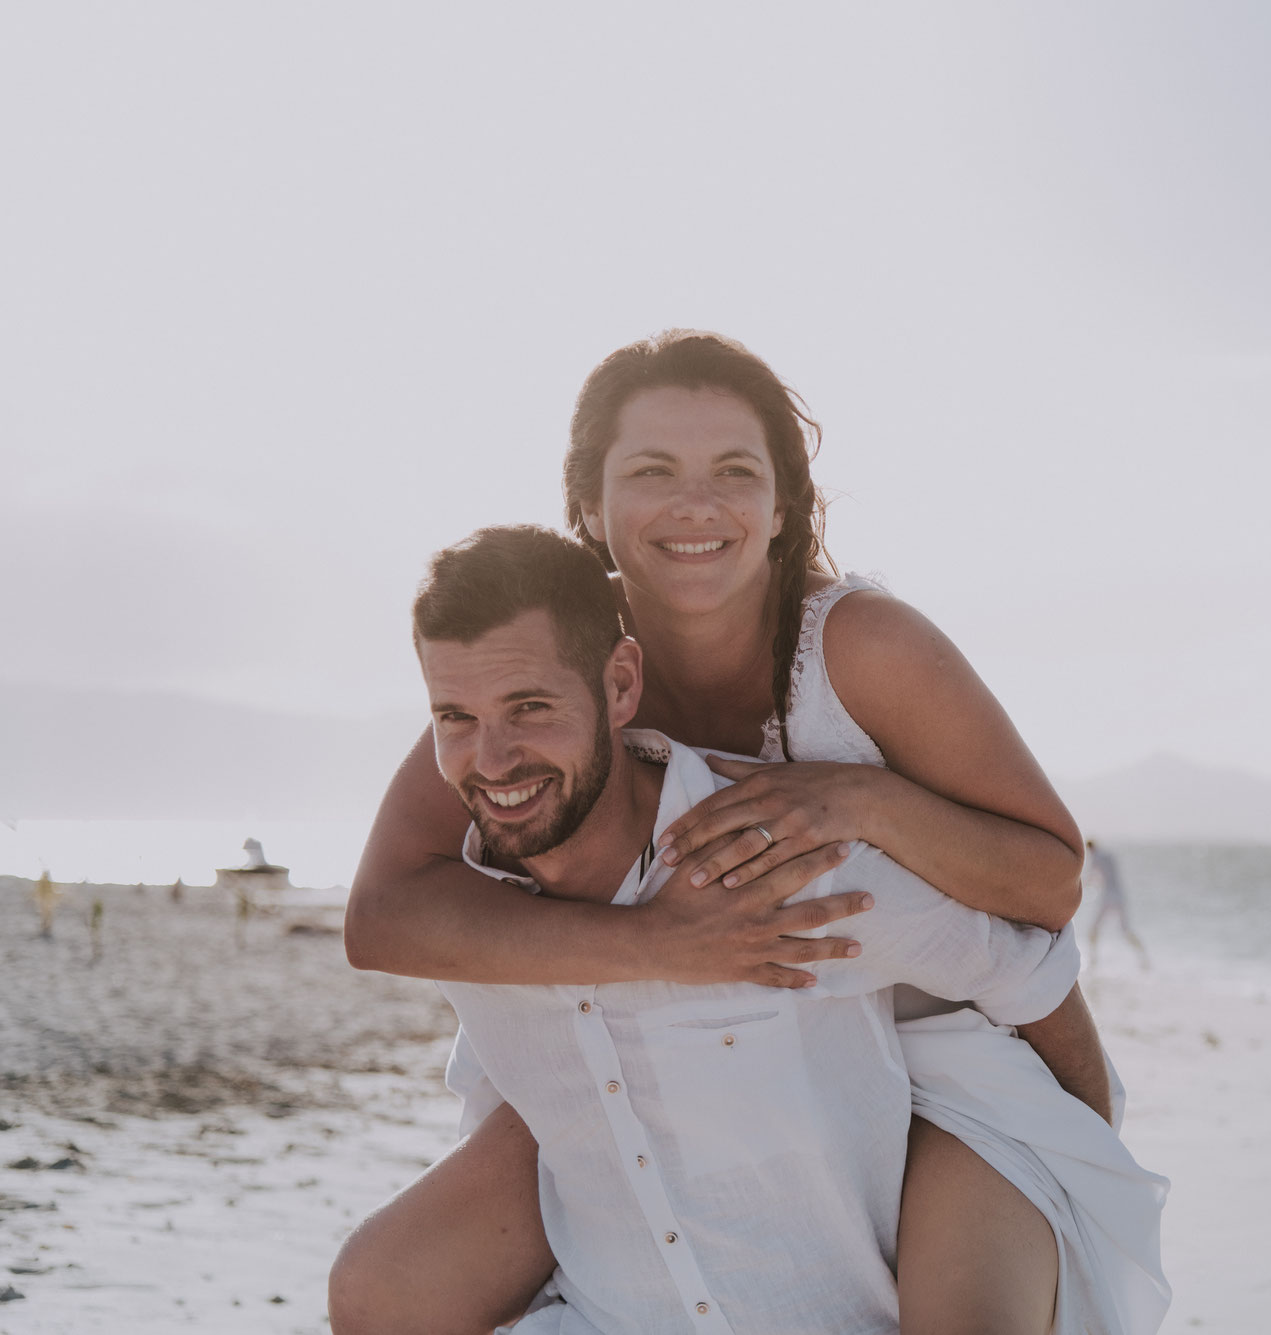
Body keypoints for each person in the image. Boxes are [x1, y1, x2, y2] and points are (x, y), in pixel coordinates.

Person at [334, 331, 1167, 1334]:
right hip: (675, 1044)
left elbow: (1045, 888)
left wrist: (860, 801)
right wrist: (657, 948)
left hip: (927, 1053)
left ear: (783, 508)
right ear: (589, 504)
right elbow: (387, 911)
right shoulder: (549, 668)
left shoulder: (859, 647)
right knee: (388, 1289)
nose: (695, 504)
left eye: (734, 471)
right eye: (651, 471)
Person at [1084, 840, 1150, 971]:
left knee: (1093, 929)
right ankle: (1143, 957)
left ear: (1089, 848)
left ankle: (1093, 960)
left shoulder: (1096, 857)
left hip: (1108, 897)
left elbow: (1092, 877)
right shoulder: (1109, 855)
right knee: (1125, 930)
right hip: (1120, 896)